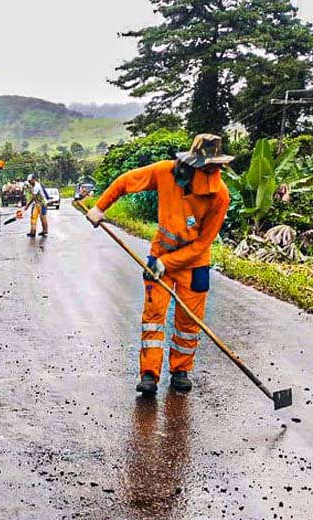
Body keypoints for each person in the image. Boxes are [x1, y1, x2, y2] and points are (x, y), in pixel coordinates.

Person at [85, 134, 233, 395]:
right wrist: (100, 207)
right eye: (208, 168)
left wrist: (169, 262)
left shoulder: (220, 195)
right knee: (154, 318)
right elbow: (126, 181)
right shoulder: (165, 173)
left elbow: (202, 244)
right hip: (160, 256)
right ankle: (149, 375)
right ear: (193, 165)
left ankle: (180, 371)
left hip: (195, 265)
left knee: (189, 322)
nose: (212, 174)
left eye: (216, 168)